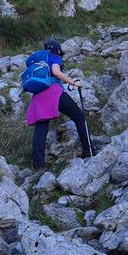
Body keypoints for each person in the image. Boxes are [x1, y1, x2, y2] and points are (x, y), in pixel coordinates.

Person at [25, 40, 93, 170]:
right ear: (58, 50)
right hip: (54, 92)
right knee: (79, 117)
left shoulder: (39, 60)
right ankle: (88, 150)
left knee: (40, 130)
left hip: (38, 96)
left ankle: (38, 165)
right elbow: (56, 72)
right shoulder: (54, 57)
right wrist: (73, 82)